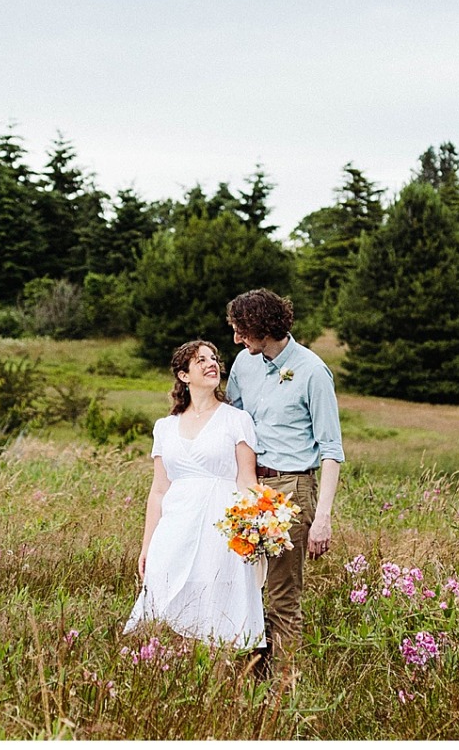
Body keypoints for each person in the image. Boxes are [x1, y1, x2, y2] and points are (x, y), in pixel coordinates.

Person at [223, 288, 343, 675]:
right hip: (250, 491)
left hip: (294, 488)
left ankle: (283, 693)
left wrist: (322, 517)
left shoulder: (312, 371)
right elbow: (233, 425)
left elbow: (331, 449)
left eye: (243, 331)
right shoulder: (244, 363)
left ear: (264, 327)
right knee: (245, 592)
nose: (237, 339)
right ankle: (252, 678)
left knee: (282, 596)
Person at [124, 339, 267, 648]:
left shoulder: (236, 419)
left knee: (214, 599)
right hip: (175, 527)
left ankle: (218, 673)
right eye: (200, 360)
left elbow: (247, 479)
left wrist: (252, 531)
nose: (211, 363)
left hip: (221, 524)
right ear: (184, 375)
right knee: (166, 597)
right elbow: (159, 490)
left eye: (213, 358)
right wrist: (147, 544)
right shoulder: (165, 427)